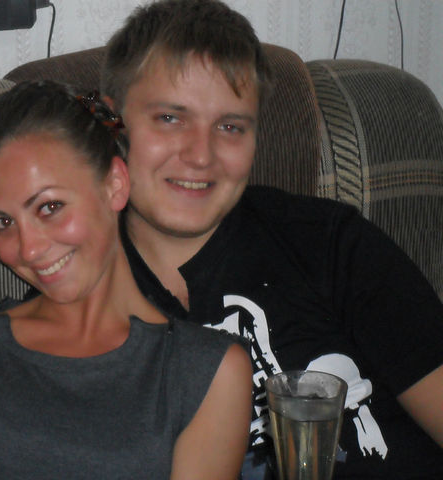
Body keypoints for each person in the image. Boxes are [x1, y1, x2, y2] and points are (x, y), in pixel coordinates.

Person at [100, 0, 443, 479]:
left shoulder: (329, 244)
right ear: (112, 124)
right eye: (170, 118)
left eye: (230, 127)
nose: (201, 155)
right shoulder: (79, 295)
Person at [0, 80, 253, 480]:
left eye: (49, 207)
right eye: (3, 222)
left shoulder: (202, 373)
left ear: (115, 185)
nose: (28, 249)